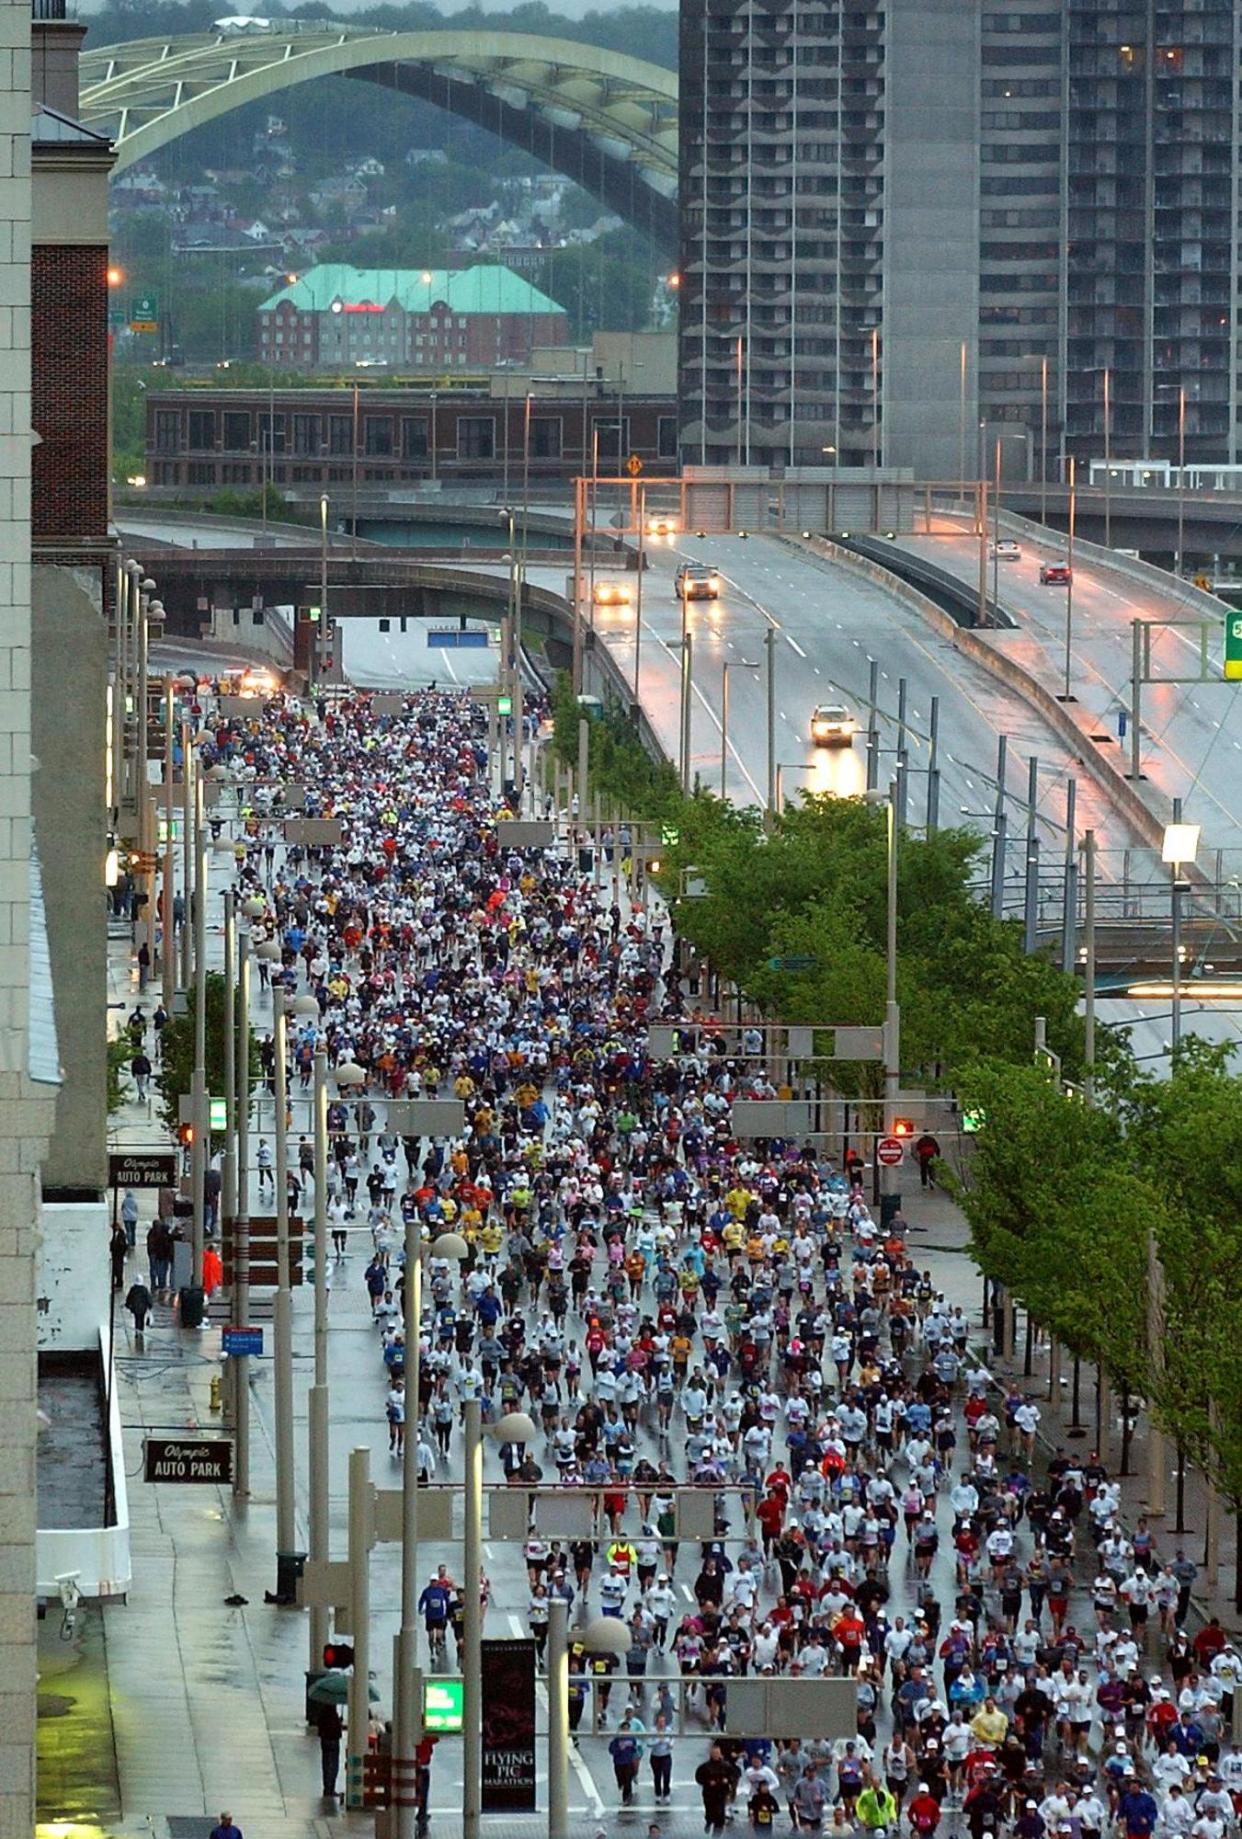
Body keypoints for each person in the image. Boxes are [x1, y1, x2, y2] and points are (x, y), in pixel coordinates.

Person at [697, 1744, 740, 1835]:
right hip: (709, 1793)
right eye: (714, 1753)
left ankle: (716, 1834)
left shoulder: (726, 1766)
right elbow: (699, 1777)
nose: (715, 1755)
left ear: (720, 1753)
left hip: (721, 1792)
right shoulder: (705, 1766)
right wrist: (708, 1782)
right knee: (710, 1810)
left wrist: (728, 1780)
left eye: (717, 1753)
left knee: (720, 1813)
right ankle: (709, 1821)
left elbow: (734, 1776)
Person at [317, 1702, 344, 1798]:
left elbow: (319, 1727)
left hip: (325, 1741)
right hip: (333, 1741)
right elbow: (336, 1730)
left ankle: (327, 1788)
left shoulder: (323, 1713)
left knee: (326, 1764)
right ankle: (330, 1788)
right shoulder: (333, 1715)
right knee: (333, 1765)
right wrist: (339, 1723)